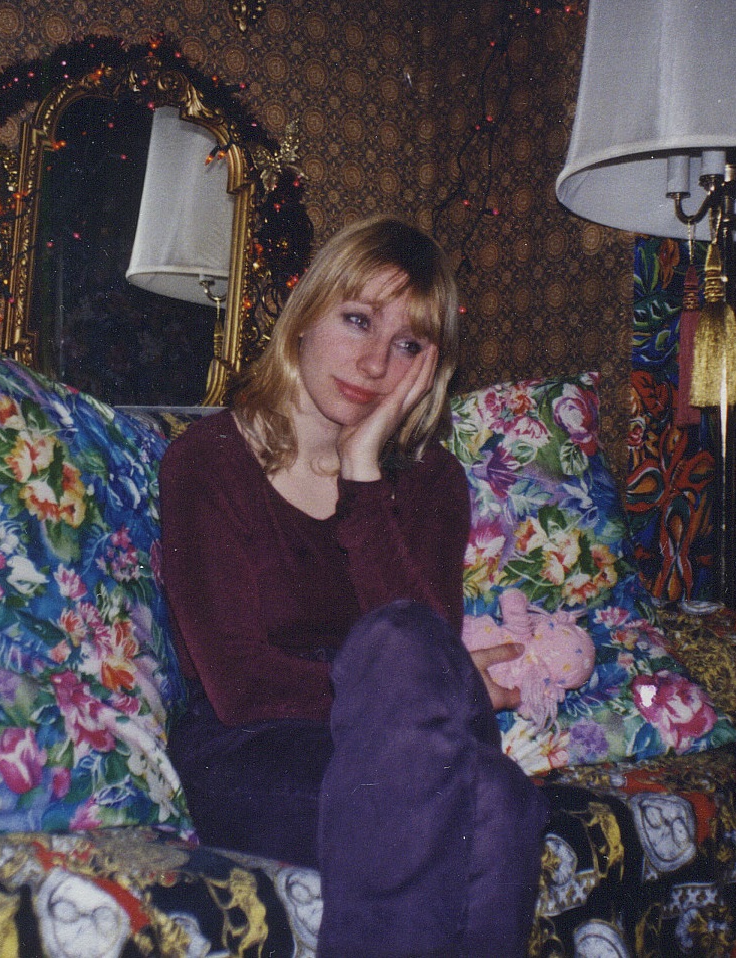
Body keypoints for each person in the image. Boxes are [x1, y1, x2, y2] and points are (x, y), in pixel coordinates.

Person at [158, 215, 549, 956]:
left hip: (407, 754)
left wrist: (363, 475)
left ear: (431, 367)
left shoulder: (431, 482)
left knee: (500, 796)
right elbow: (239, 683)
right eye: (359, 320)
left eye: (408, 345)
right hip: (255, 754)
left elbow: (430, 660)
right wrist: (405, 691)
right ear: (306, 313)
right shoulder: (208, 461)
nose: (374, 363)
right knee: (458, 764)